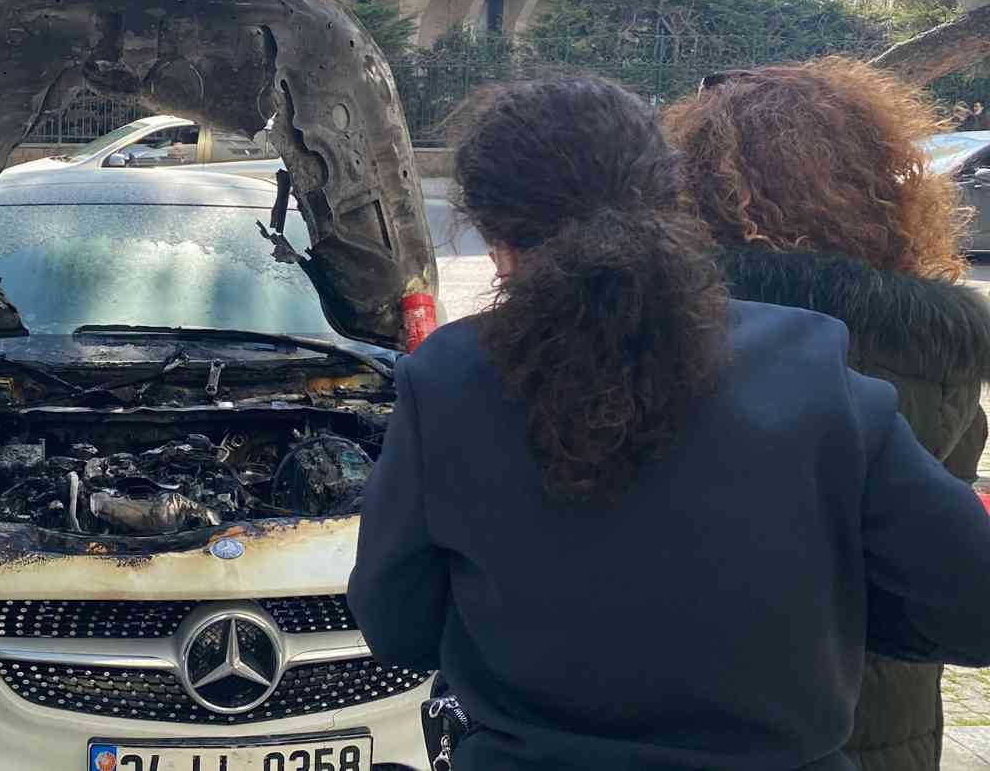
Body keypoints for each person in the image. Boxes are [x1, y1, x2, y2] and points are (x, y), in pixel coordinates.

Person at [346, 76, 990, 771]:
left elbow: (396, 622)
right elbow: (971, 606)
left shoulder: (446, 380)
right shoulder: (812, 368)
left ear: (495, 238)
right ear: (671, 199)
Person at [665, 57, 990, 771]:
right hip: (878, 710)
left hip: (696, 702)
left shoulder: (664, 330)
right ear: (882, 187)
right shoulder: (938, 347)